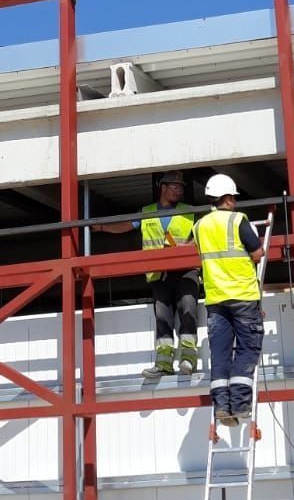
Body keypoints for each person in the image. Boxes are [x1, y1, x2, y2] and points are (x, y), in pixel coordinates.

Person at [95, 171, 198, 375]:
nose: (179, 191)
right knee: (162, 317)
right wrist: (102, 227)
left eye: (181, 188)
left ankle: (188, 359)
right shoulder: (147, 212)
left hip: (186, 269)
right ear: (163, 187)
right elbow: (126, 225)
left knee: (188, 310)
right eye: (174, 186)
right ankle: (164, 363)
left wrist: (187, 246)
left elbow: (203, 234)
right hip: (159, 273)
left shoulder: (190, 211)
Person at [193, 174, 265, 426]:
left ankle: (222, 406)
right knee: (247, 348)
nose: (234, 201)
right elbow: (257, 253)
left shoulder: (199, 226)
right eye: (233, 197)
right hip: (243, 295)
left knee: (220, 354)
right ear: (227, 198)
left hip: (215, 300)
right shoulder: (237, 220)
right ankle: (241, 403)